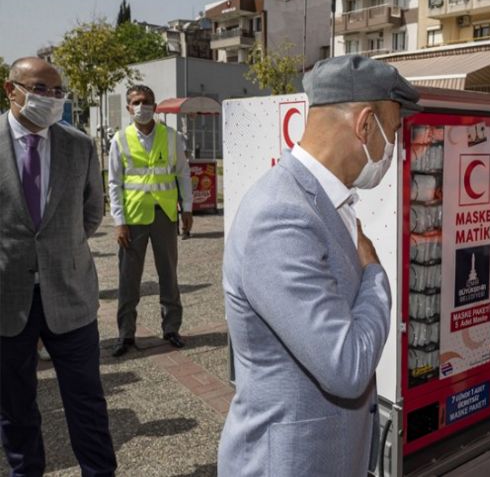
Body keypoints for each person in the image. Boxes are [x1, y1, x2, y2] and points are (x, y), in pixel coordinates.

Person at [217, 55, 420, 477]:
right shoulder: (281, 215)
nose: (392, 149)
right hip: (291, 463)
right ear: (366, 125)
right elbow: (346, 366)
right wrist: (376, 277)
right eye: (394, 132)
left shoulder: (325, 199)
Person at [0, 57, 117, 475]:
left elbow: (91, 213)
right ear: (10, 89)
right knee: (15, 406)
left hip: (70, 294)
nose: (50, 99)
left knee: (86, 401)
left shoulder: (78, 145)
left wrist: (58, 251)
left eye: (57, 91)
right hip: (7, 302)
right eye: (39, 89)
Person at [108, 84, 193, 357]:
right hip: (132, 219)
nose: (141, 106)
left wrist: (187, 209)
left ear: (155, 106)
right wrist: (118, 221)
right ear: (128, 107)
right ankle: (125, 334)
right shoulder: (119, 140)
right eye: (135, 102)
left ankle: (171, 328)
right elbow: (114, 183)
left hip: (164, 215)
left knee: (168, 275)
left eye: (146, 102)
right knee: (128, 279)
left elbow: (183, 174)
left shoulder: (172, 137)